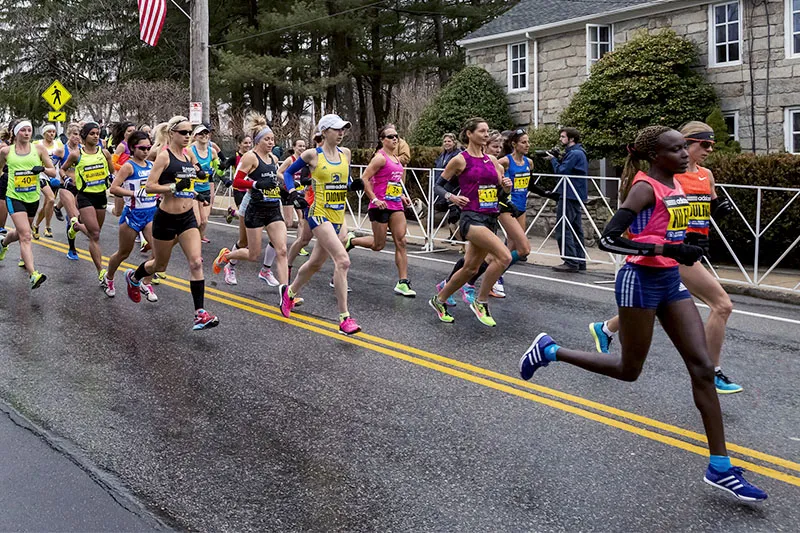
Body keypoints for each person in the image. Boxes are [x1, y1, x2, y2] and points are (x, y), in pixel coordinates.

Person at [519, 126, 767, 502]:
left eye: (686, 147)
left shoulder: (676, 182)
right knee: (628, 370)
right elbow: (609, 237)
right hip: (639, 281)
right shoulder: (644, 187)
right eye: (676, 149)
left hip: (670, 281)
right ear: (655, 156)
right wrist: (666, 247)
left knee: (702, 368)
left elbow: (666, 228)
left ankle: (720, 467)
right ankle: (551, 350)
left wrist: (687, 244)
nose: (685, 154)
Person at [589, 121, 741, 394]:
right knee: (722, 304)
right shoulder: (668, 176)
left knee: (652, 307)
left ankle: (607, 328)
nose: (705, 150)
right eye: (700, 144)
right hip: (669, 252)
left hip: (688, 248)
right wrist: (662, 247)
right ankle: (712, 371)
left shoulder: (706, 175)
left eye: (710, 145)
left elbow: (702, 212)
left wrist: (716, 215)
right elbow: (635, 225)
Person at [124, 115, 219, 330]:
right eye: (183, 132)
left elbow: (192, 178)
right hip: (166, 218)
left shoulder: (188, 156)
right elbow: (149, 187)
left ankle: (199, 313)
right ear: (172, 134)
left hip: (187, 218)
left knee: (196, 262)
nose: (187, 136)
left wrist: (197, 191)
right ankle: (134, 276)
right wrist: (173, 188)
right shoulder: (164, 157)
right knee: (159, 265)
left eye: (189, 133)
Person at [279, 114, 361, 335]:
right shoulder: (312, 155)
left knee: (315, 264)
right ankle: (345, 318)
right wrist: (294, 192)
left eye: (343, 129)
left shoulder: (346, 154)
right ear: (324, 132)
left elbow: (343, 179)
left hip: (338, 216)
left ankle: (290, 293)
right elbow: (287, 173)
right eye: (336, 129)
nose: (341, 133)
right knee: (343, 261)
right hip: (319, 214)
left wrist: (355, 184)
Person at [429, 118, 512, 327]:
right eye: (482, 131)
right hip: (471, 218)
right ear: (469, 133)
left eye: (487, 131)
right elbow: (438, 186)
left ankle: (438, 300)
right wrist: (452, 197)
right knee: (503, 257)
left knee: (470, 269)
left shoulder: (493, 161)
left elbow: (499, 192)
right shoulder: (460, 160)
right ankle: (481, 301)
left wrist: (507, 187)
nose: (486, 134)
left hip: (490, 216)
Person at [212, 115, 289, 293]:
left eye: (272, 139)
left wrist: (288, 192)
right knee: (252, 252)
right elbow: (237, 182)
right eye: (267, 139)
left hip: (273, 208)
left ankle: (286, 293)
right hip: (254, 208)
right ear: (257, 140)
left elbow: (272, 181)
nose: (271, 143)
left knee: (282, 249)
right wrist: (256, 184)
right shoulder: (250, 157)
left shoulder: (273, 159)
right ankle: (228, 257)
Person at [347, 124, 415, 297]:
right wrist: (375, 199)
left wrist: (400, 196)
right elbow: (365, 178)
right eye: (390, 136)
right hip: (380, 206)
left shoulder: (398, 160)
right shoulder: (380, 158)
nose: (394, 139)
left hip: (395, 205)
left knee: (401, 241)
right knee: (378, 245)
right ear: (382, 140)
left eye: (396, 136)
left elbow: (392, 183)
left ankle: (403, 282)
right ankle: (352, 241)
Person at [0, 119, 57, 288]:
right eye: (23, 130)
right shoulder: (6, 151)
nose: (26, 133)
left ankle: (2, 244)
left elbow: (53, 172)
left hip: (32, 197)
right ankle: (33, 274)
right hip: (14, 197)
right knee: (26, 235)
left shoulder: (38, 149)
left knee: (20, 232)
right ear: (16, 132)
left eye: (29, 130)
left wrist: (43, 170)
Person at [104, 131, 158, 301]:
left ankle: (145, 282)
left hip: (150, 213)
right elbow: (114, 188)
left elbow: (155, 185)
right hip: (132, 215)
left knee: (158, 252)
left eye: (148, 148)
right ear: (133, 148)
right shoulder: (129, 166)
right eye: (142, 148)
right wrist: (134, 194)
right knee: (123, 253)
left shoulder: (151, 165)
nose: (146, 151)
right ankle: (109, 277)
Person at [60, 122, 114, 285]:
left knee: (95, 232)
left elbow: (111, 171)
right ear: (84, 136)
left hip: (100, 196)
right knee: (95, 234)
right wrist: (68, 179)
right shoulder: (77, 154)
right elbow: (63, 169)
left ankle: (75, 226)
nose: (96, 136)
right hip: (85, 196)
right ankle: (101, 272)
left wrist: (110, 178)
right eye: (92, 133)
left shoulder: (104, 153)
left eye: (97, 133)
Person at [549, 127, 588, 272]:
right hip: (575, 194)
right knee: (576, 228)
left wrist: (553, 160)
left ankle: (570, 261)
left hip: (569, 194)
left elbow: (561, 171)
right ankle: (579, 260)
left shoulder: (575, 153)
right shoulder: (577, 152)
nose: (560, 139)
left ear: (571, 139)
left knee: (564, 228)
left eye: (563, 136)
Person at [219, 134, 254, 286]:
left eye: (249, 142)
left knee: (245, 218)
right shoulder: (235, 158)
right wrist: (225, 178)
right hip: (240, 190)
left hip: (252, 192)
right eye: (245, 143)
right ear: (239, 144)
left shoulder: (254, 157)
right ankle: (236, 255)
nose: (247, 145)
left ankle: (232, 213)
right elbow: (220, 170)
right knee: (244, 218)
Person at [52, 123, 82, 259]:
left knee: (80, 218)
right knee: (73, 217)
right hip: (66, 186)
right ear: (69, 135)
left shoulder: (84, 151)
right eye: (74, 134)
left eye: (79, 134)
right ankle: (72, 249)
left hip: (81, 187)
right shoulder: (61, 150)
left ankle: (58, 208)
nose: (77, 137)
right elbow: (51, 166)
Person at [190, 124, 219, 243]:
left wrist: (222, 170)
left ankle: (200, 237)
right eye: (201, 134)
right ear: (195, 136)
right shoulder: (190, 150)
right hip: (193, 189)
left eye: (206, 133)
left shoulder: (212, 152)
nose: (204, 136)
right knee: (197, 220)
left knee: (204, 221)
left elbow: (219, 170)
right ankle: (193, 241)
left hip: (205, 187)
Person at [32, 124, 62, 239]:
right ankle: (48, 227)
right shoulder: (37, 145)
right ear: (44, 133)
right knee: (51, 199)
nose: (51, 134)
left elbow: (64, 158)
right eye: (49, 132)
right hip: (41, 175)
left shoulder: (58, 145)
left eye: (53, 132)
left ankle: (36, 225)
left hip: (54, 177)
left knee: (47, 204)